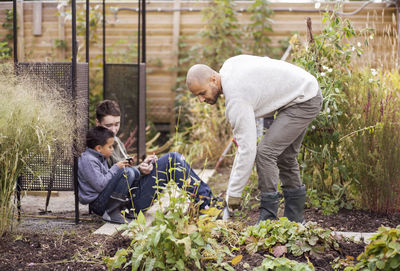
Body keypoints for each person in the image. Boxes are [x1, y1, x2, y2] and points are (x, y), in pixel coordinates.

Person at [186, 54, 322, 223]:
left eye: (202, 93)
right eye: (197, 96)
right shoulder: (229, 65)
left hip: (304, 99)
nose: (201, 99)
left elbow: (248, 150)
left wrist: (233, 196)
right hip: (303, 89)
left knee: (265, 153)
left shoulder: (236, 97)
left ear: (213, 79)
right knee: (285, 157)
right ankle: (295, 220)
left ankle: (268, 220)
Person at [82, 100, 221, 223]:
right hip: (120, 204)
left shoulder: (115, 141)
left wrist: (142, 167)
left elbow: (126, 172)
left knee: (173, 159)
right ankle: (208, 205)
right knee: (170, 160)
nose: (113, 129)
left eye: (117, 124)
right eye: (108, 125)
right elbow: (115, 178)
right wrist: (137, 170)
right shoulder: (96, 147)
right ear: (98, 123)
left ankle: (207, 202)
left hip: (132, 195)